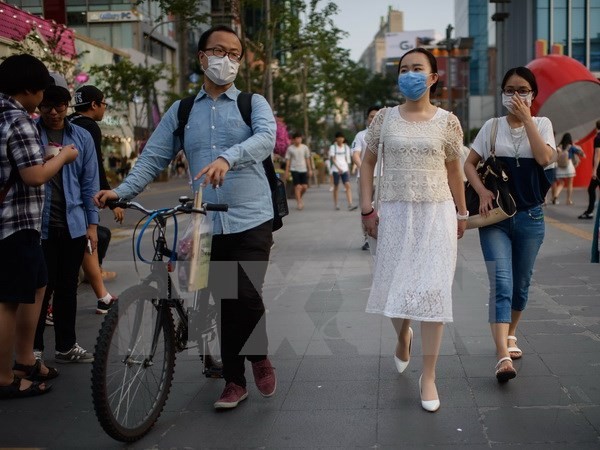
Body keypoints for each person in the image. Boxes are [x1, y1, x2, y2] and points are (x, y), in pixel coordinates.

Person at [94, 25, 277, 410]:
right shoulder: (182, 111)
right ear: (201, 57)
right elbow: (153, 157)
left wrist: (229, 157)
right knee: (228, 298)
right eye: (218, 51)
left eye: (234, 54)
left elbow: (265, 138)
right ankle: (234, 381)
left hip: (251, 216)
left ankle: (257, 353)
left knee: (245, 294)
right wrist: (121, 191)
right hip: (206, 218)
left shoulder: (252, 102)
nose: (226, 59)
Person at [360, 48, 467, 412]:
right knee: (395, 288)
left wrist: (463, 212)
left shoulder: (448, 121)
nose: (410, 74)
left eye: (417, 69)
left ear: (433, 77)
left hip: (437, 214)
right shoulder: (385, 119)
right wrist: (366, 209)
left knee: (433, 293)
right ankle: (402, 334)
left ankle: (429, 375)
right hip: (394, 213)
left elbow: (455, 170)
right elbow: (367, 163)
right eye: (404, 69)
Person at [465, 67, 556, 383]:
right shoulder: (491, 127)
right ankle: (503, 355)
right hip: (495, 219)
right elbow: (469, 164)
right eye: (509, 90)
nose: (515, 96)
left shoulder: (542, 124)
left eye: (522, 90)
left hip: (530, 217)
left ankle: (512, 332)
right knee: (501, 283)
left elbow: (545, 159)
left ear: (533, 94)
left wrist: (528, 119)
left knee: (521, 285)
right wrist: (481, 190)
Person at [0, 55, 78, 398]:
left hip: (19, 223)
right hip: (14, 223)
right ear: (29, 89)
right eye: (42, 91)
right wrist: (62, 157)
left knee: (38, 284)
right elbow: (33, 177)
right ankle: (5, 378)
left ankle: (24, 359)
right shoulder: (17, 120)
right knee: (8, 301)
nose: (44, 101)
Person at [33, 73, 99, 364]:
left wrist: (92, 224)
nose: (54, 112)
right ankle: (32, 349)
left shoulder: (81, 136)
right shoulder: (30, 133)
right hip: (39, 226)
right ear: (39, 105)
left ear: (67, 104)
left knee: (67, 287)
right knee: (38, 289)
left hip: (73, 223)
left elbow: (90, 183)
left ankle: (66, 345)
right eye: (47, 105)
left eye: (60, 105)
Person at [68, 85, 121, 314]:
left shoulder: (68, 122)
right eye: (104, 104)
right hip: (78, 199)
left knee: (88, 244)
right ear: (94, 105)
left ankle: (102, 296)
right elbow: (94, 168)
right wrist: (112, 200)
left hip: (66, 194)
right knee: (84, 244)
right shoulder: (90, 127)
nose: (104, 109)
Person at [352, 106, 380, 250]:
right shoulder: (361, 135)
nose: (373, 118)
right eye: (371, 116)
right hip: (364, 179)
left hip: (382, 178)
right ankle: (367, 239)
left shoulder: (386, 135)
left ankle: (381, 235)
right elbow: (355, 154)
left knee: (381, 208)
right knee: (366, 207)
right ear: (367, 119)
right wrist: (364, 170)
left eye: (376, 116)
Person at [552, 132, 585, 205]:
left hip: (560, 167)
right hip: (568, 166)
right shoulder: (571, 147)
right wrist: (582, 153)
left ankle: (555, 196)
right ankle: (568, 200)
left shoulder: (559, 146)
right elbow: (580, 153)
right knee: (570, 183)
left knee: (561, 183)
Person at [329, 131, 357, 211]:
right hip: (336, 169)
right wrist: (338, 168)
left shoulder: (346, 147)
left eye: (342, 137)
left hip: (344, 169)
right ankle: (336, 204)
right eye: (339, 137)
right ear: (336, 138)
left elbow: (348, 160)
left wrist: (348, 169)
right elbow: (333, 159)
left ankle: (350, 204)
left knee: (347, 185)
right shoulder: (333, 147)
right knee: (336, 186)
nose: (340, 139)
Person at [284, 132, 312, 210]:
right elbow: (288, 161)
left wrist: (310, 169)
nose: (298, 140)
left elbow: (307, 159)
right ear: (293, 140)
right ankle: (299, 203)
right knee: (298, 187)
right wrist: (286, 171)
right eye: (296, 138)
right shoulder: (290, 149)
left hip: (303, 169)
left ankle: (298, 197)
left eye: (300, 138)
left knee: (305, 187)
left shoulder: (305, 148)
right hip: (294, 169)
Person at [578, 120, 600, 219]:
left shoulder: (598, 138)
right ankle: (589, 211)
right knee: (591, 189)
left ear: (596, 128)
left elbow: (597, 154)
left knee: (591, 189)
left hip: (599, 169)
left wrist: (594, 170)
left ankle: (590, 212)